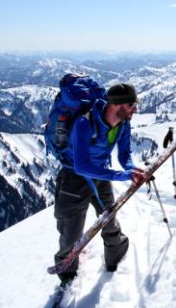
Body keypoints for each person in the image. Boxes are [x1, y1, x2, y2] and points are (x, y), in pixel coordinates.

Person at [53, 82, 149, 283]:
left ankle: (116, 255)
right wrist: (120, 176)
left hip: (101, 175)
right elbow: (81, 166)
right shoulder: (84, 124)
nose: (135, 110)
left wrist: (131, 169)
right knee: (70, 232)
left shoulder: (123, 123)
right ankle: (67, 275)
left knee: (109, 219)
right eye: (131, 105)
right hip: (73, 180)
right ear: (117, 105)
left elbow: (124, 155)